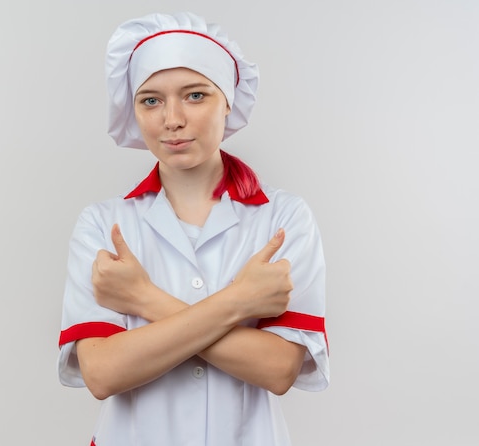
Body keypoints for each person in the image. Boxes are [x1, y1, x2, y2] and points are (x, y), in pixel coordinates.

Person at [57, 11, 329, 446]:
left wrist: (143, 298)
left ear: (228, 101)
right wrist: (241, 300)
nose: (172, 119)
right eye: (151, 100)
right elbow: (103, 373)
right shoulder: (103, 224)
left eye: (195, 95)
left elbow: (279, 370)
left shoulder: (282, 218)